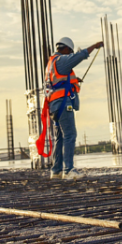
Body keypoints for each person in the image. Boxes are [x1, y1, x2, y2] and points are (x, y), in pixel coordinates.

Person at [45, 37, 103, 180]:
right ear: (66, 49)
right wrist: (94, 45)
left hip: (54, 106)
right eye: (69, 52)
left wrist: (74, 81)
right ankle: (69, 170)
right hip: (63, 104)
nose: (69, 54)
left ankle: (57, 170)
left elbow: (59, 82)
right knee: (70, 135)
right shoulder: (61, 60)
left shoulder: (51, 63)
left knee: (60, 137)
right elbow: (79, 56)